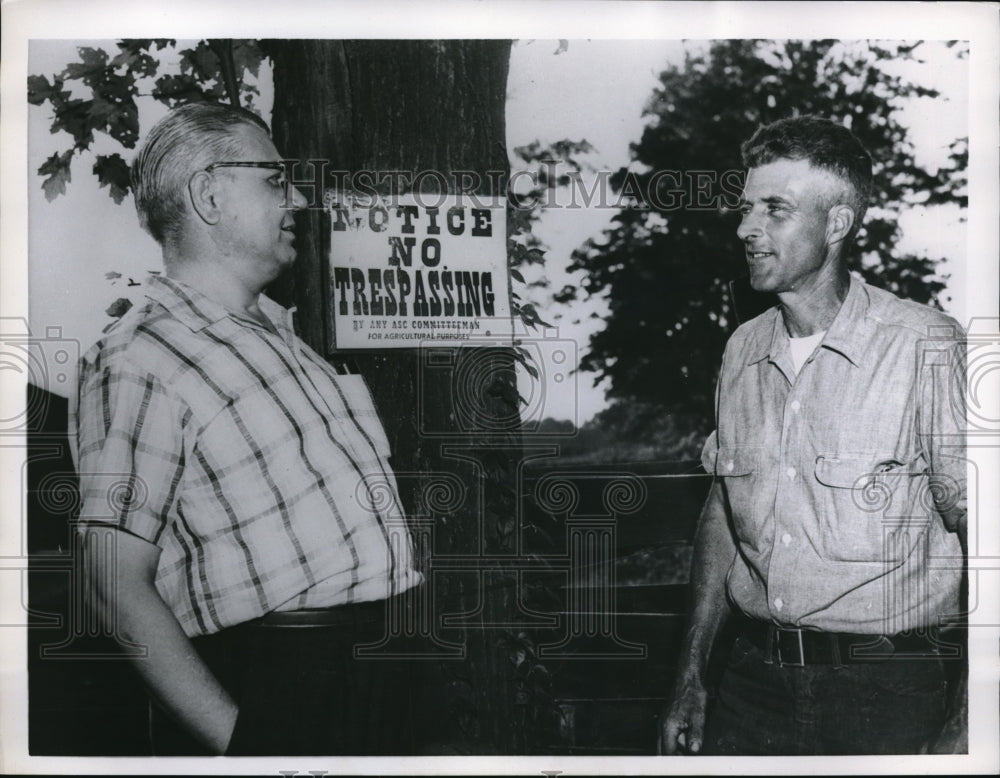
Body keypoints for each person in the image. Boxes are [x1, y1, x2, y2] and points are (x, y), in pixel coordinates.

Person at [70, 102, 422, 756]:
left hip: (382, 680)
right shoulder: (141, 356)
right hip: (279, 687)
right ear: (210, 195)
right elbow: (113, 584)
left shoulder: (288, 340)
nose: (298, 199)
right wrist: (243, 747)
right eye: (275, 180)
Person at [659, 115, 968, 756]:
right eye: (747, 208)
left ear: (836, 225)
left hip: (886, 694)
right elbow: (722, 516)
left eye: (775, 209)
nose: (746, 228)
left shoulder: (926, 345)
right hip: (750, 687)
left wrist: (970, 719)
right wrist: (690, 676)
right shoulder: (743, 350)